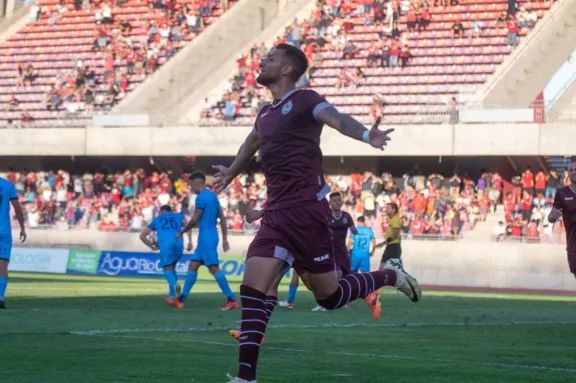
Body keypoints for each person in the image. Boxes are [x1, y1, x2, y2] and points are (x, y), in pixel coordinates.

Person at [212, 43, 421, 383]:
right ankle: (245, 378)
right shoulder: (265, 113)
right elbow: (251, 144)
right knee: (252, 287)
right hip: (276, 214)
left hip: (308, 212)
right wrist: (231, 172)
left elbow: (336, 119)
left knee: (331, 295)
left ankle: (390, 276)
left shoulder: (305, 99)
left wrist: (367, 134)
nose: (263, 62)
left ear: (287, 70)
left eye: (271, 59)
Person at [176, 172, 238, 310]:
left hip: (206, 236)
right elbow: (222, 217)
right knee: (193, 265)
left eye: (191, 184)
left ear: (197, 183)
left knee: (213, 267)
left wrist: (182, 232)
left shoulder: (200, 198)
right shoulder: (212, 196)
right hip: (211, 234)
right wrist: (225, 239)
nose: (190, 187)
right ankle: (181, 300)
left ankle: (232, 300)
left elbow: (194, 220)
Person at [139, 205, 192, 307]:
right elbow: (188, 226)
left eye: (160, 211)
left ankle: (175, 286)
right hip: (179, 243)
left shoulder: (157, 219)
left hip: (166, 244)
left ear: (163, 211)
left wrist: (152, 246)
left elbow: (142, 235)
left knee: (167, 268)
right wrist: (190, 241)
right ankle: (172, 297)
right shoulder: (179, 216)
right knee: (172, 268)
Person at [0, 177, 27, 309]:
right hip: (3, 231)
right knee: (2, 265)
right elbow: (17, 207)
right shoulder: (7, 185)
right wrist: (22, 228)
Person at [547, 161, 576, 279]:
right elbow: (552, 217)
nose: (574, 172)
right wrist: (554, 215)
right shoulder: (562, 193)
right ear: (568, 173)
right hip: (573, 244)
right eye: (571, 170)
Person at [374, 203, 404, 271]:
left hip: (393, 247)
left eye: (388, 208)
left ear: (393, 210)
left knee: (386, 267)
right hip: (391, 246)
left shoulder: (395, 219)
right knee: (385, 267)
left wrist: (383, 243)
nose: (386, 210)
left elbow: (395, 234)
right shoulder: (392, 220)